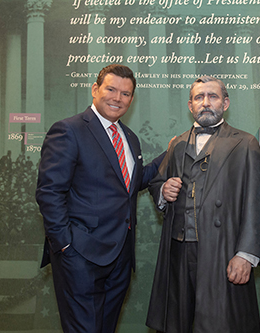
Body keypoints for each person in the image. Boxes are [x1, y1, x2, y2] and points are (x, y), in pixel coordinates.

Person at [36, 64, 165, 333]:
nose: (118, 98)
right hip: (80, 256)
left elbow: (133, 183)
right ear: (95, 89)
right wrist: (65, 248)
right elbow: (49, 192)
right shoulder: (68, 130)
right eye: (111, 89)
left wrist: (173, 151)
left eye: (126, 94)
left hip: (119, 258)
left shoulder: (129, 137)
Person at [146, 75, 260, 333]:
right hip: (179, 252)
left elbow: (257, 203)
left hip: (224, 251)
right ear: (190, 106)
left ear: (225, 103)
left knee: (221, 324)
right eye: (199, 98)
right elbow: (158, 182)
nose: (205, 103)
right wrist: (163, 191)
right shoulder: (177, 144)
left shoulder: (245, 143)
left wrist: (246, 255)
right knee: (176, 324)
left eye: (212, 96)